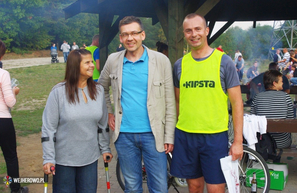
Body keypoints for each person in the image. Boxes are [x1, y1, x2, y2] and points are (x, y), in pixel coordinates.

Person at [99, 16, 176, 193]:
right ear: (120, 38)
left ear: (142, 35)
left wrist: (169, 136)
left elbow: (169, 101)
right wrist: (109, 112)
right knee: (132, 187)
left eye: (134, 33)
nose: (129, 38)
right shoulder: (113, 60)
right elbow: (101, 87)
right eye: (125, 34)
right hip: (124, 135)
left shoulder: (160, 60)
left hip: (154, 135)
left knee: (159, 187)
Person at [170, 13, 243, 193]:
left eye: (197, 29)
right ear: (184, 34)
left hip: (214, 135)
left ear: (207, 31)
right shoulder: (179, 65)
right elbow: (178, 101)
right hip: (186, 135)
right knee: (194, 186)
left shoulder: (224, 62)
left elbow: (237, 103)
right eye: (188, 30)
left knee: (216, 188)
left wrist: (238, 141)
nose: (193, 34)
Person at [42, 49, 112, 193]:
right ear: (75, 66)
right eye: (87, 62)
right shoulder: (58, 92)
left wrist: (105, 148)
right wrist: (48, 158)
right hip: (64, 161)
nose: (92, 65)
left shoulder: (98, 91)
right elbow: (48, 128)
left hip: (89, 159)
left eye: (92, 61)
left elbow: (103, 124)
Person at [0, 40, 28, 193]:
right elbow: (10, 102)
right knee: (10, 157)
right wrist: (15, 92)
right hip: (3, 120)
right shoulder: (3, 74)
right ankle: (15, 189)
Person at [250, 70, 293, 149]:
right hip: (282, 141)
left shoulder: (257, 97)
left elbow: (253, 118)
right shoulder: (286, 97)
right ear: (274, 83)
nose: (283, 83)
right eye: (281, 81)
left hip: (263, 141)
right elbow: (291, 119)